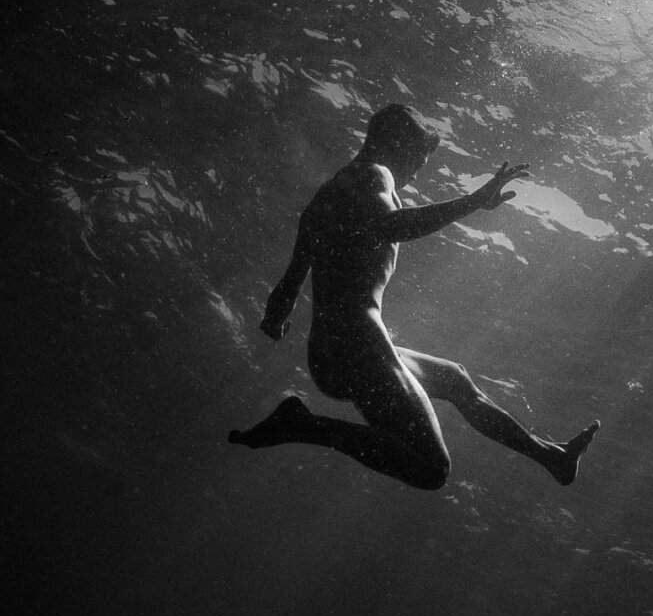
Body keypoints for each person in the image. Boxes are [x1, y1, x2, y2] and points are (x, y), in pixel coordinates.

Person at [230, 104, 599, 490]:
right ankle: (304, 426)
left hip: (332, 349)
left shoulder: (329, 194)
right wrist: (473, 201)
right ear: (398, 143)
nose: (419, 170)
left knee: (454, 379)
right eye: (421, 157)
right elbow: (392, 226)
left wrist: (276, 318)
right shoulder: (374, 174)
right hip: (356, 344)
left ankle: (551, 456)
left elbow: (291, 280)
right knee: (431, 469)